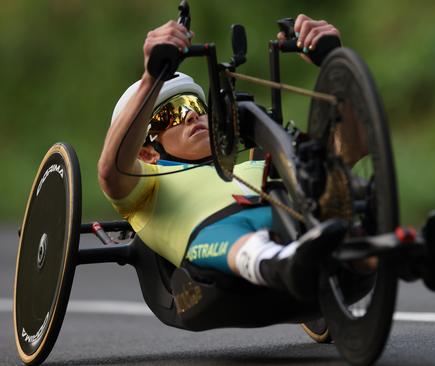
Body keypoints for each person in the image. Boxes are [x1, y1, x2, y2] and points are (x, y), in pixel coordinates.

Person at [98, 15, 344, 301]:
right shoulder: (147, 183)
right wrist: (151, 78)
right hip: (218, 240)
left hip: (293, 223)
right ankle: (276, 262)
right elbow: (110, 171)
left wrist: (336, 64)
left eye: (193, 105)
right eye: (170, 115)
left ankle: (379, 254)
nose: (190, 115)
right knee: (227, 235)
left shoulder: (259, 160)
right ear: (147, 152)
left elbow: (346, 153)